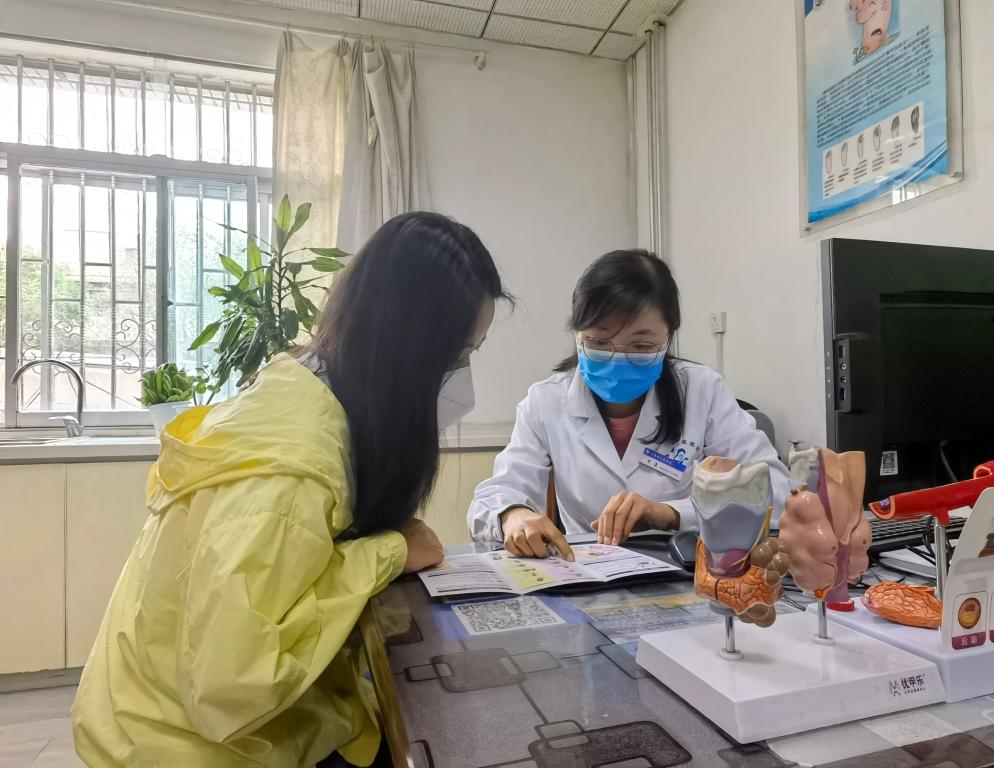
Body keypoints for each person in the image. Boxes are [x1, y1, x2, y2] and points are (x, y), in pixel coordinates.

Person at [72, 212, 510, 767]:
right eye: (458, 356)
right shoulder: (292, 469)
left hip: (161, 712)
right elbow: (234, 685)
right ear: (406, 350)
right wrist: (388, 552)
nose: (462, 376)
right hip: (183, 744)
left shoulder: (301, 387)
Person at [468, 250, 788, 558]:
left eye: (641, 345)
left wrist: (671, 514)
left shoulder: (702, 391)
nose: (617, 358)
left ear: (667, 338)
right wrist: (513, 515)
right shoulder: (545, 402)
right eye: (599, 342)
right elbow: (493, 498)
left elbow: (778, 493)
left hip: (686, 569)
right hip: (587, 569)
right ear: (578, 335)